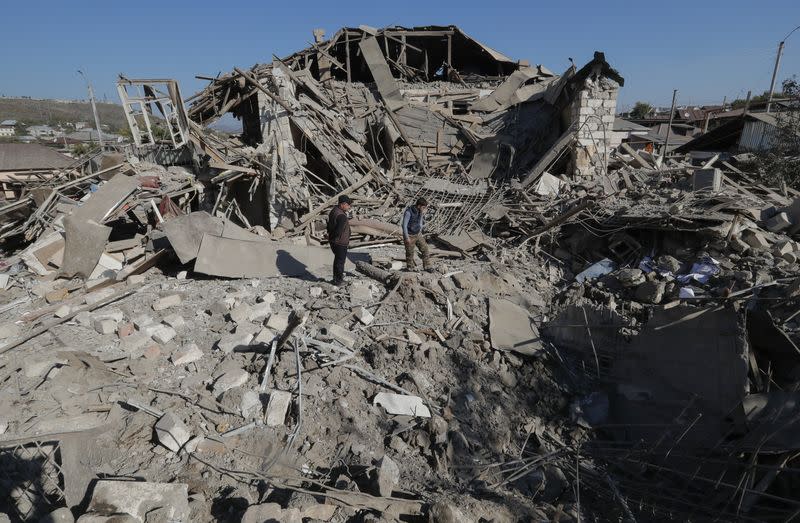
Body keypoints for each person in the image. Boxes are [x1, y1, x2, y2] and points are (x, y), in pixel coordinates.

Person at [327, 195, 352, 285]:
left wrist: (331, 238)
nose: (349, 207)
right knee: (340, 262)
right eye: (348, 205)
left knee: (337, 260)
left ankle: (335, 279)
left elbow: (329, 226)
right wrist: (334, 238)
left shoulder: (334, 211)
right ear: (343, 204)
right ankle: (339, 281)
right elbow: (338, 231)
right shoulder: (341, 216)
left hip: (334, 241)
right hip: (340, 242)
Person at [402, 197, 432, 271]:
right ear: (418, 206)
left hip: (417, 234)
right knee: (410, 253)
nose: (424, 209)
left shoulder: (420, 211)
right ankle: (410, 268)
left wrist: (420, 230)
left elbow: (420, 221)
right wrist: (406, 237)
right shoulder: (408, 212)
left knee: (425, 249)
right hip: (409, 235)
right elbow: (404, 225)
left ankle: (427, 266)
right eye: (423, 207)